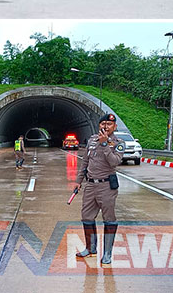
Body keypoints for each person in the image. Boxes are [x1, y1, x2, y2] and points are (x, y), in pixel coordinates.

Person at [76, 113, 124, 265]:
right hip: (90, 185)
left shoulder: (118, 143)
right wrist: (78, 181)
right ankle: (90, 248)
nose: (105, 126)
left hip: (106, 186)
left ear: (115, 126)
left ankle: (107, 253)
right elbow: (85, 162)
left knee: (109, 219)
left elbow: (114, 162)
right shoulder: (91, 140)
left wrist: (104, 145)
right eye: (103, 124)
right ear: (99, 126)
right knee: (86, 217)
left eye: (109, 124)